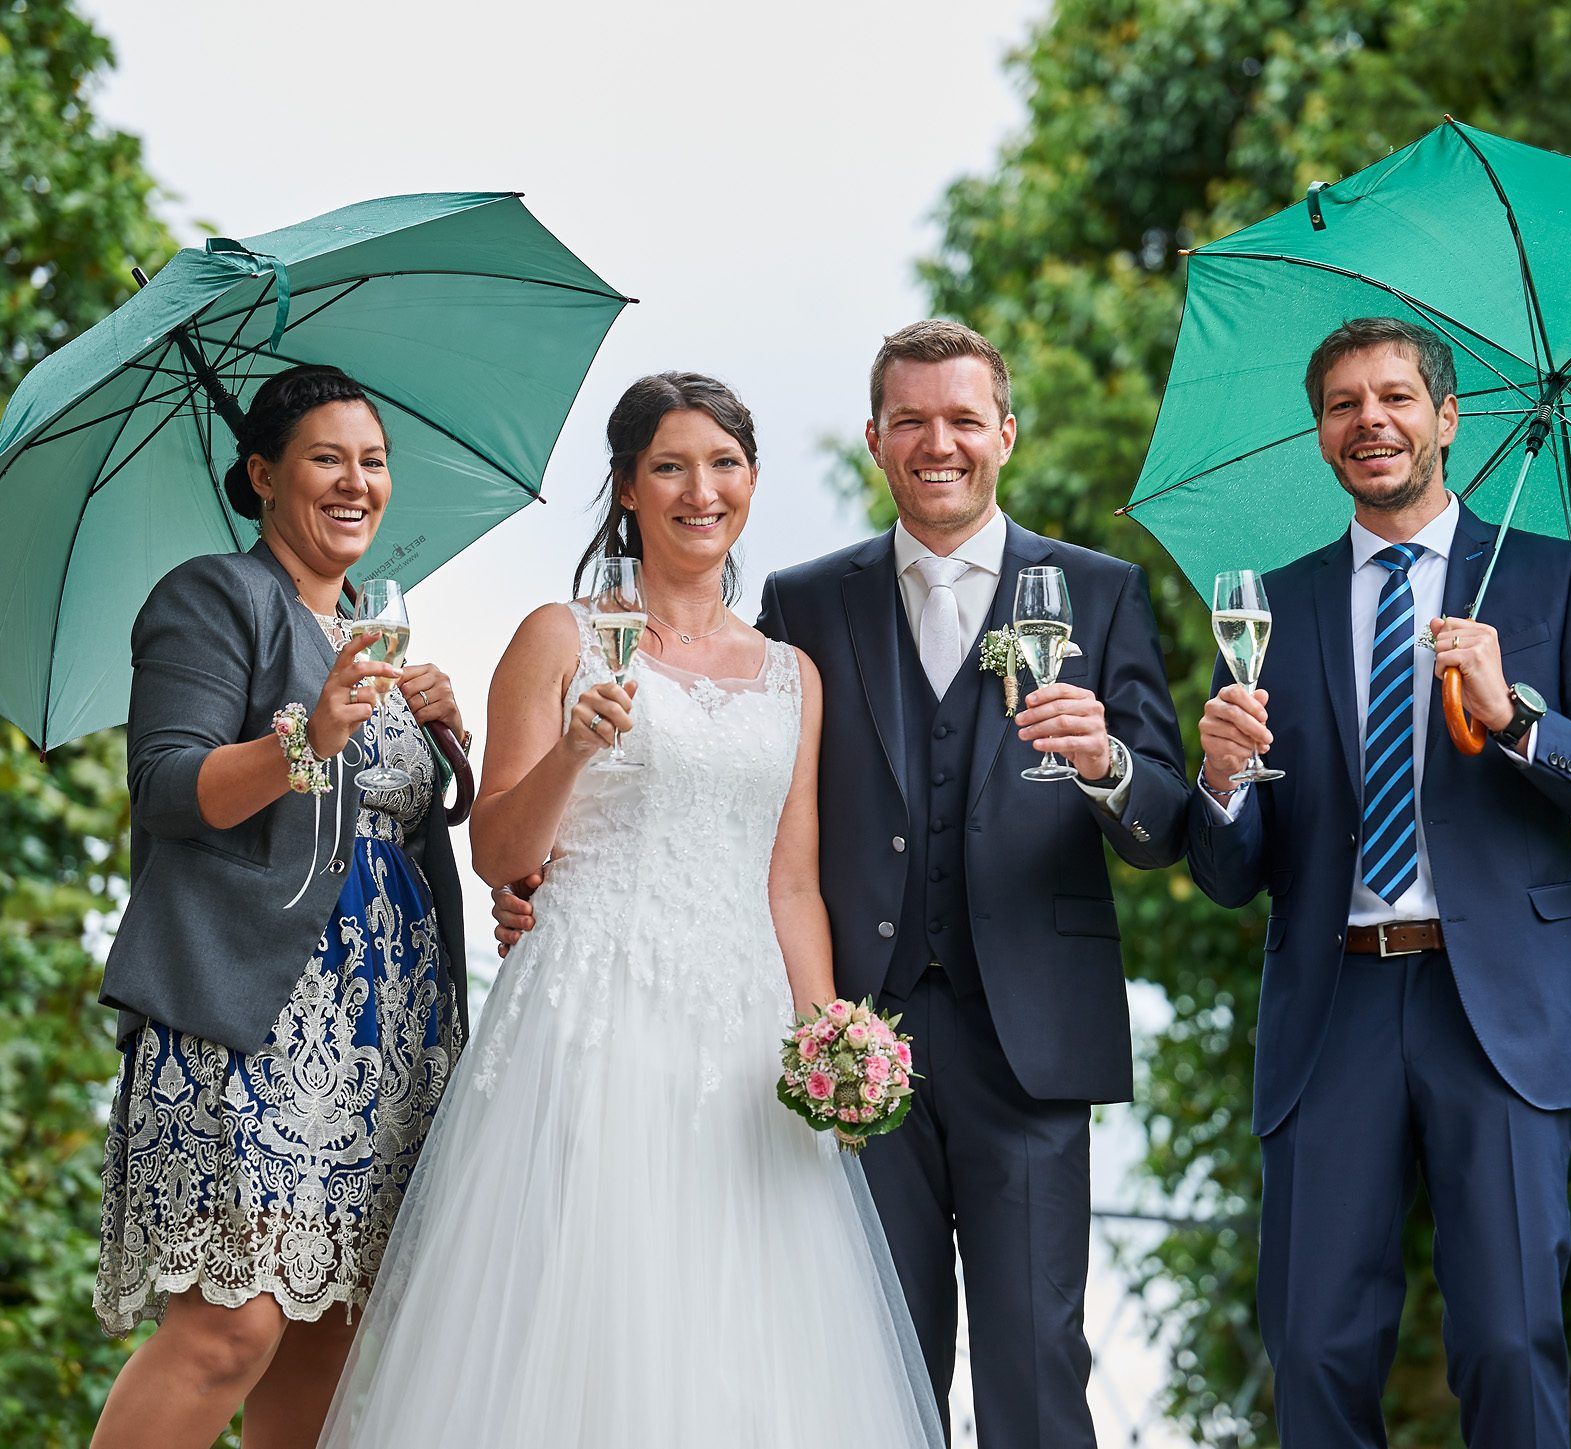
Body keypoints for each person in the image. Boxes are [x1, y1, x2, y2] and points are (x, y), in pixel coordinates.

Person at [495, 320, 1191, 1447]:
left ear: (1005, 434)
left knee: (1037, 1370)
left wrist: (1108, 762)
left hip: (1032, 1041)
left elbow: (1167, 830)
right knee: (868, 1372)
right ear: (875, 440)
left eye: (963, 420)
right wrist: (544, 874)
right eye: (910, 421)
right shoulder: (810, 602)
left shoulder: (1097, 591)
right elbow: (727, 783)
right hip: (857, 1034)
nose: (938, 443)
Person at [316, 373, 945, 1448]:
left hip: (746, 1039)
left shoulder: (792, 672)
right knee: (580, 1332)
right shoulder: (559, 637)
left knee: (750, 1355)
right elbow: (499, 853)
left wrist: (825, 1031)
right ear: (626, 490)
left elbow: (789, 879)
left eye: (725, 464)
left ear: (751, 481)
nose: (702, 491)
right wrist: (574, 748)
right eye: (670, 467)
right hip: (590, 1020)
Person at [1189, 317, 1571, 1446]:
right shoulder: (1273, 603)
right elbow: (1232, 872)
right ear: (1321, 437)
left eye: (1396, 398)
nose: (1370, 420)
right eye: (1342, 405)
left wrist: (1520, 715)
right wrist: (1222, 781)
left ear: (1447, 420)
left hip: (1503, 1015)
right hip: (1335, 1012)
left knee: (1511, 1343)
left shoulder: (1555, 582)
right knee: (1315, 1348)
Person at [89, 364, 470, 1449]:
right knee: (230, 1329)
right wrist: (309, 736)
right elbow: (170, 789)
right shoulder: (211, 598)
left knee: (331, 1332)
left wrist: (441, 737)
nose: (357, 483)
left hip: (386, 1028)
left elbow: (396, 820)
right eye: (325, 459)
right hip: (249, 1011)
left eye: (374, 462)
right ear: (261, 475)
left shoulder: (372, 629)